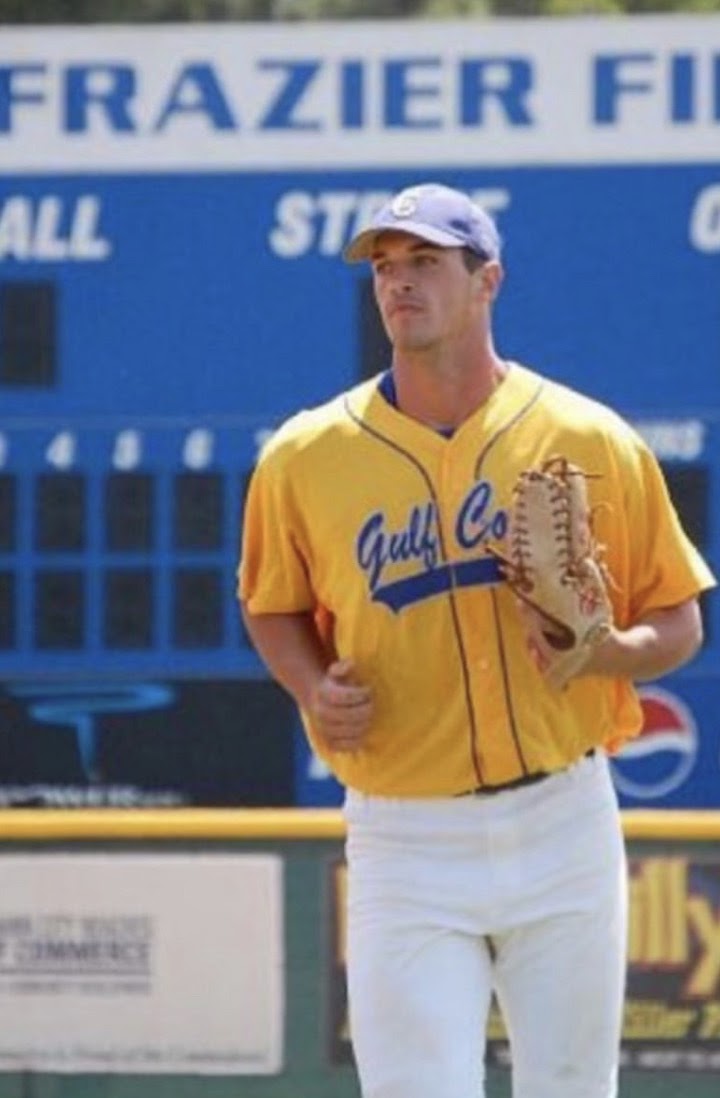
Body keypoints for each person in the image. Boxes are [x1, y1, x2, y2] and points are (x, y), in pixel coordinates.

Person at [238, 182, 715, 1098]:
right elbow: (270, 602)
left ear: (487, 279)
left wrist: (610, 653)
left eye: (425, 262)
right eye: (385, 266)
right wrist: (310, 685)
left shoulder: (589, 437)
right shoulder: (306, 456)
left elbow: (679, 617)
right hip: (405, 834)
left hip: (562, 818)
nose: (398, 283)